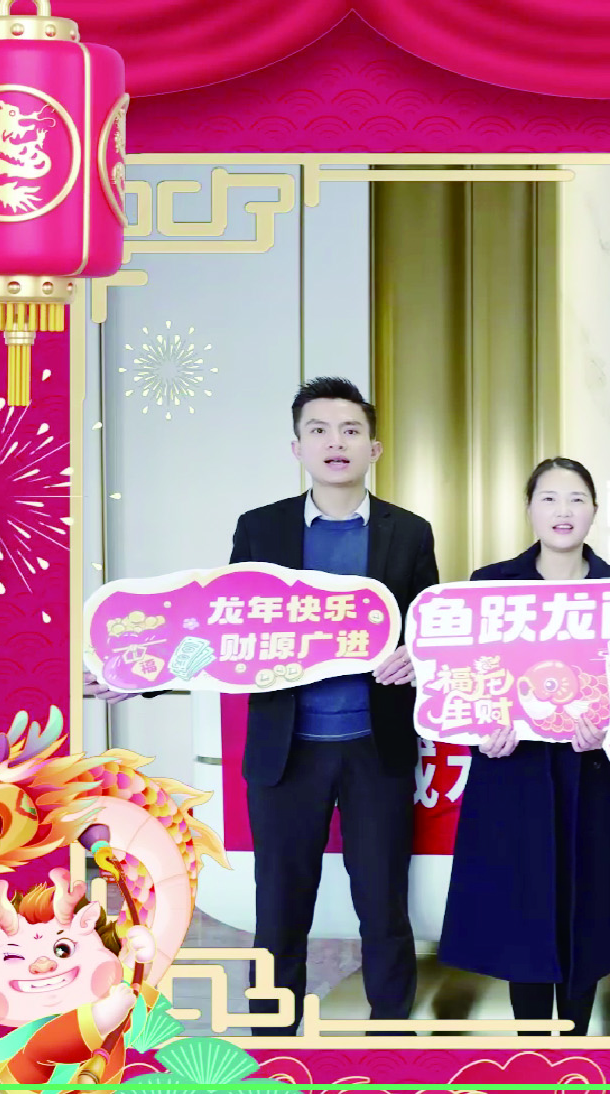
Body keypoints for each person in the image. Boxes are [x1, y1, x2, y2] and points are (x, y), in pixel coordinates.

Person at [88, 376, 436, 1033]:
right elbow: (220, 631)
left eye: (351, 430)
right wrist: (142, 675)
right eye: (319, 430)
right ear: (297, 447)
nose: (335, 442)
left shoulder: (409, 533)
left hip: (378, 748)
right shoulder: (262, 529)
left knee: (383, 902)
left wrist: (420, 657)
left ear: (374, 448)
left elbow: (430, 629)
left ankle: (390, 1030)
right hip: (286, 753)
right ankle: (272, 1035)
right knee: (279, 903)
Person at [438, 458, 610, 1036]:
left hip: (595, 776)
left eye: (577, 498)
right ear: (530, 509)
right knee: (522, 911)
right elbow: (466, 681)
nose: (563, 511)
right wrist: (483, 730)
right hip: (514, 772)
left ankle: (577, 1045)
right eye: (550, 498)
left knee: (589, 908)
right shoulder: (489, 586)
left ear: (594, 511)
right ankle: (533, 1047)